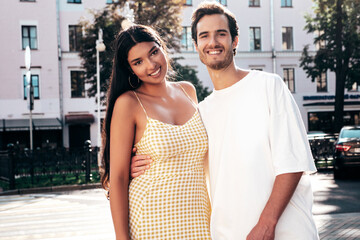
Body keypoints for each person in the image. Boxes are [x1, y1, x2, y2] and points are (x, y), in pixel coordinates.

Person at [131, 2, 319, 239]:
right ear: (196, 45)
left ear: (235, 40)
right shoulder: (201, 112)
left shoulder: (269, 86)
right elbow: (183, 161)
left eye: (221, 33)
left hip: (286, 231)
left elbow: (292, 163)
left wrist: (266, 224)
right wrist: (135, 166)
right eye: (204, 36)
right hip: (229, 233)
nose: (213, 42)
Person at [100, 24, 211, 239]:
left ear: (162, 48)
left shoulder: (188, 91)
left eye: (153, 52)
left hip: (198, 215)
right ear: (130, 69)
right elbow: (119, 177)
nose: (151, 65)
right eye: (138, 62)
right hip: (152, 217)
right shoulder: (129, 103)